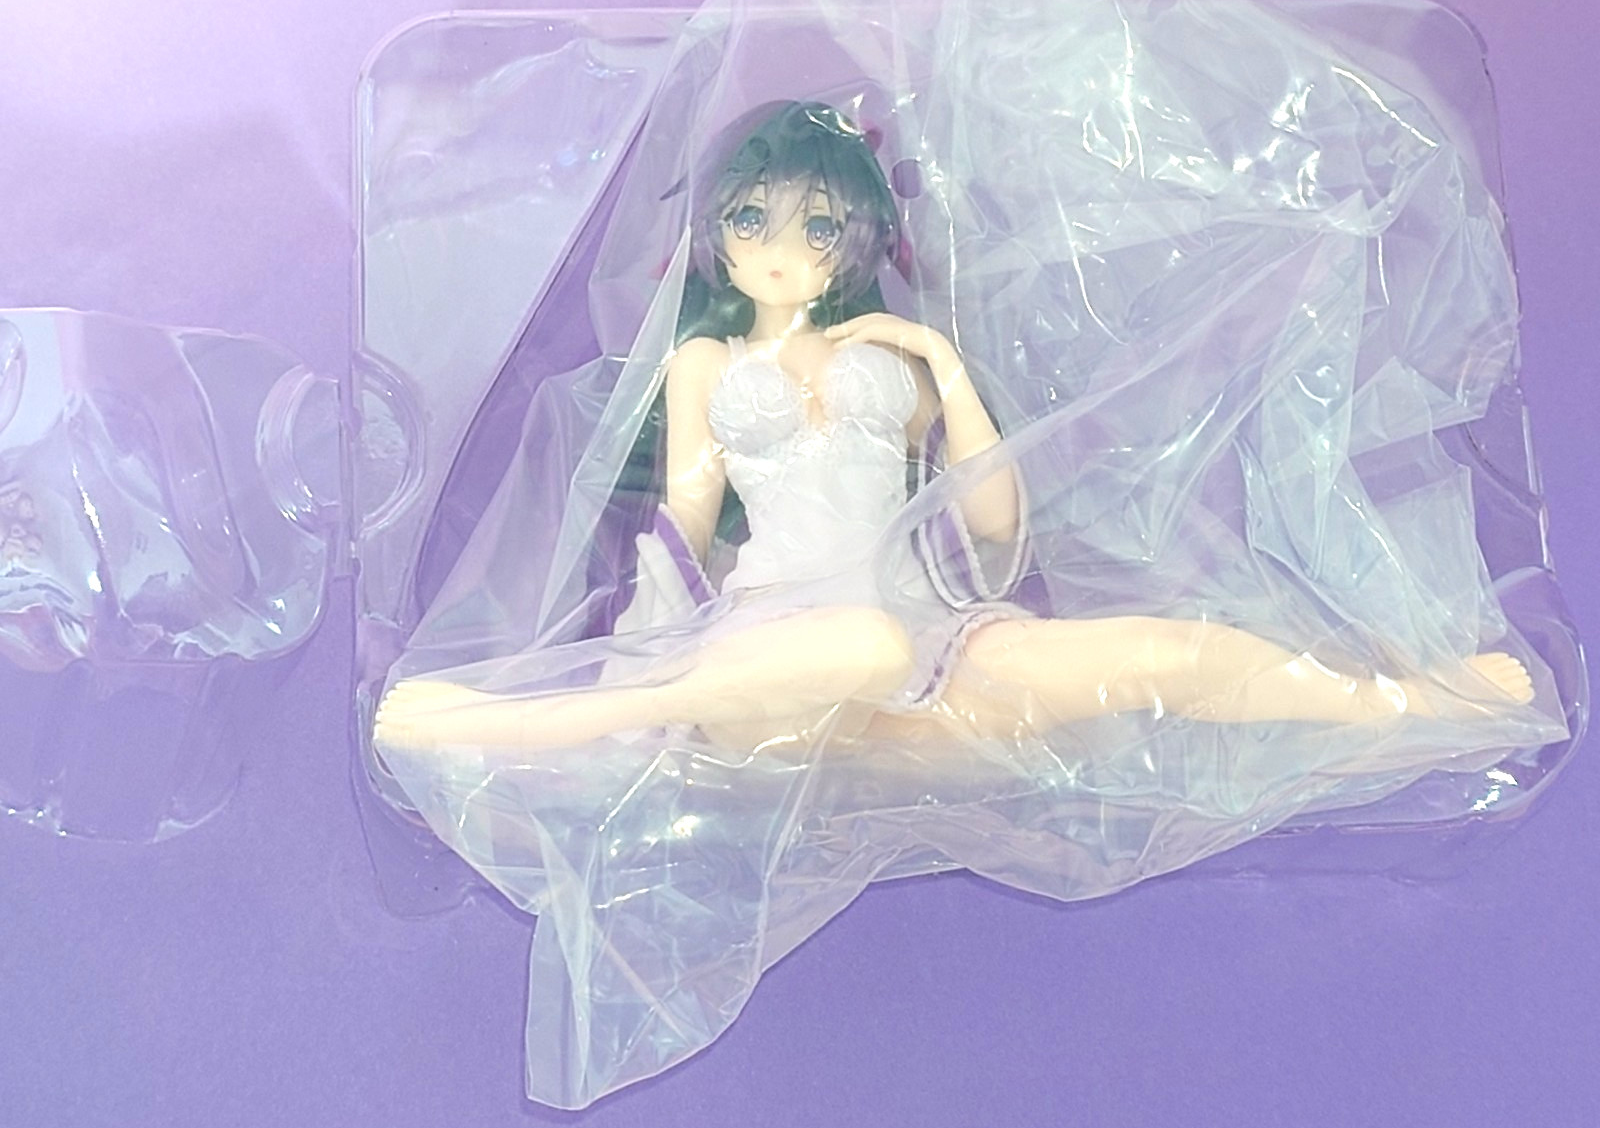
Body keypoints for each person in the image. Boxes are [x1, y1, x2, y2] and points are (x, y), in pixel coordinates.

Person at [374, 100, 1532, 759]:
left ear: (854, 238)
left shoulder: (892, 356)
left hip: (919, 653)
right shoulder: (706, 362)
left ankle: (1407, 700)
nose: (779, 248)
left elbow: (990, 519)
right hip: (765, 673)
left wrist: (941, 365)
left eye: (816, 226)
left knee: (1154, 653)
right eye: (751, 219)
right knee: (858, 645)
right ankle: (573, 720)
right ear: (718, 233)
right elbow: (685, 514)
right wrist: (652, 642)